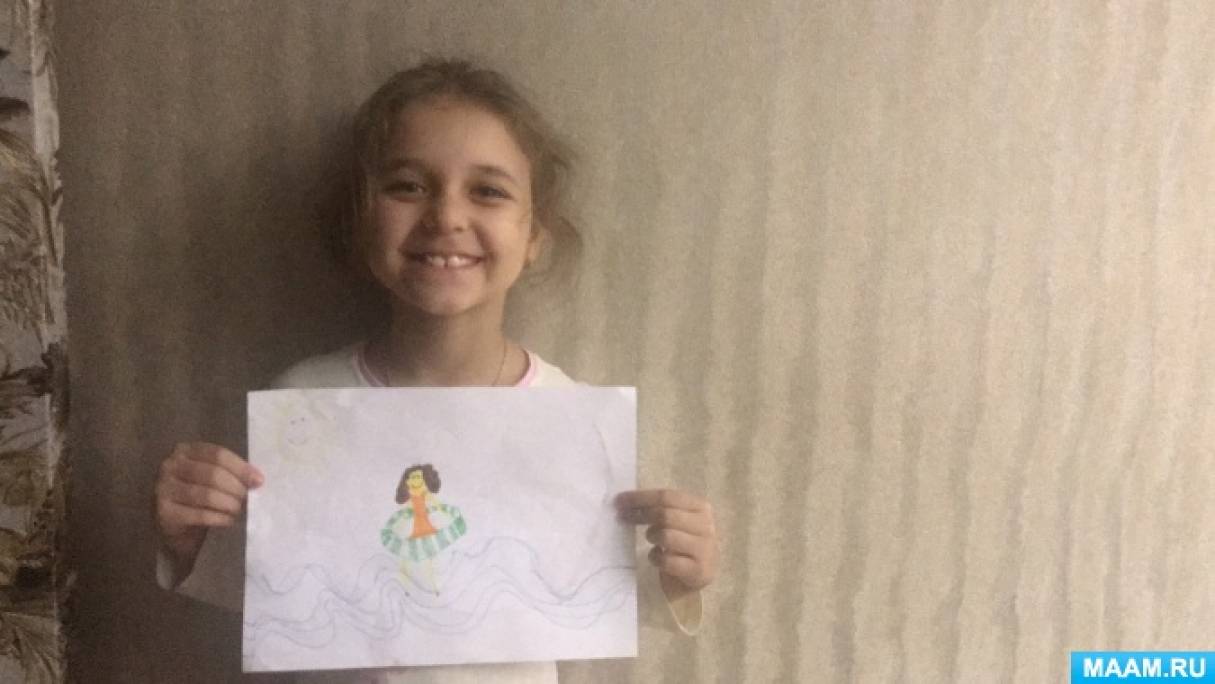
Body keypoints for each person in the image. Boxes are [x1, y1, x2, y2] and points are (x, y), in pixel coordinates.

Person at [153, 58, 720, 683]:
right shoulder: (304, 404)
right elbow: (283, 598)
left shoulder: (571, 420)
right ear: (362, 219)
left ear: (534, 235)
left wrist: (681, 572)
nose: (446, 216)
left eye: (489, 191)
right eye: (407, 186)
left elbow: (594, 597)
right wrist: (191, 538)